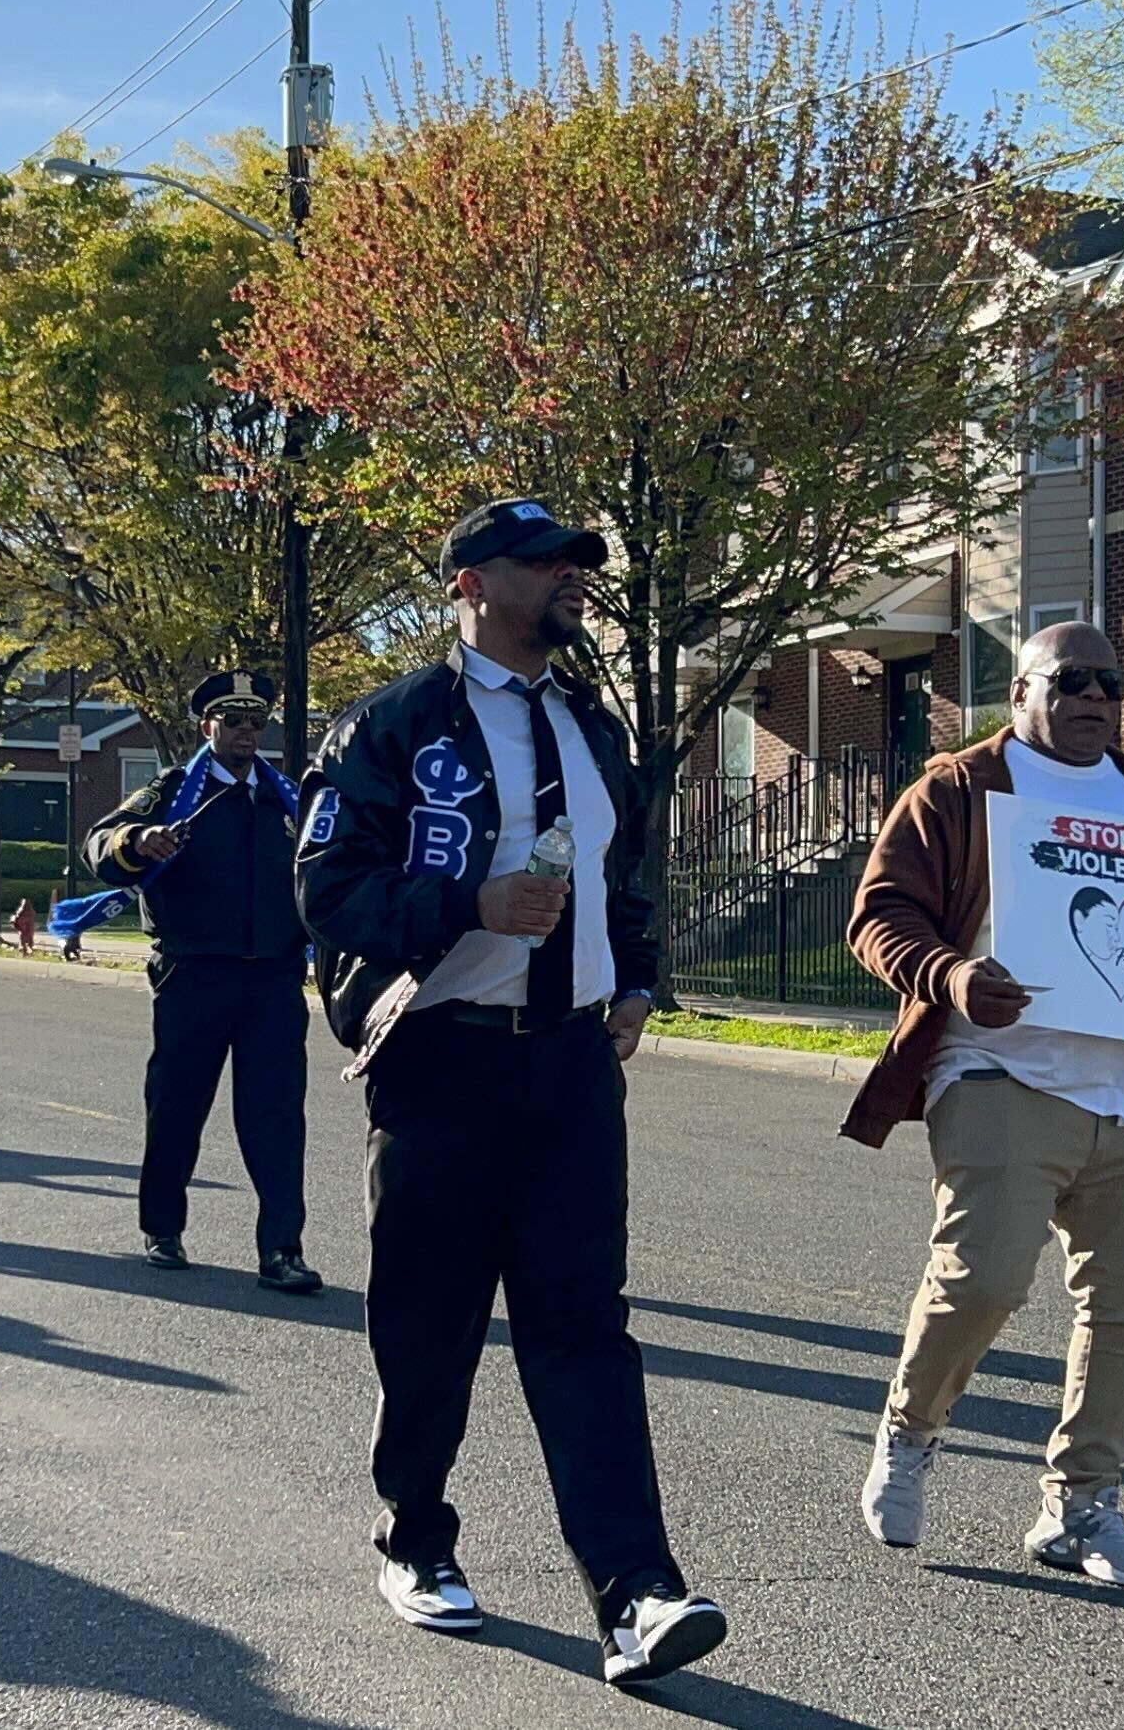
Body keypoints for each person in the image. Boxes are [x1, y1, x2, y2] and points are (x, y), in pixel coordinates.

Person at [295, 501, 724, 1686]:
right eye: (546, 566)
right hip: (441, 1056)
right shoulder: (392, 724)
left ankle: (637, 1591)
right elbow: (329, 889)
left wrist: (633, 979)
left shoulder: (593, 725)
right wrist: (467, 908)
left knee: (584, 1324)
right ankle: (415, 1536)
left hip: (572, 1064)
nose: (571, 584)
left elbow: (622, 870)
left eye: (580, 565)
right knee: (429, 1324)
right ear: (472, 584)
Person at [844, 621, 1124, 1589]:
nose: (1094, 696)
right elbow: (879, 913)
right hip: (1000, 1070)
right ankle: (910, 1432)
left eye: (1111, 681)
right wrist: (951, 975)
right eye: (1070, 680)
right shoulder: (959, 788)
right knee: (984, 1279)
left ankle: (1080, 1507)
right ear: (1020, 694)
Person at [78, 670, 319, 1295]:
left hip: (272, 981)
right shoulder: (172, 792)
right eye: (232, 721)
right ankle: (163, 1229)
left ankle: (282, 1250)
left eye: (255, 721)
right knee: (177, 1108)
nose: (246, 732)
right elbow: (98, 844)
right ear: (207, 726)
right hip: (193, 976)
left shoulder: (286, 798)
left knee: (276, 1117)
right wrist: (139, 840)